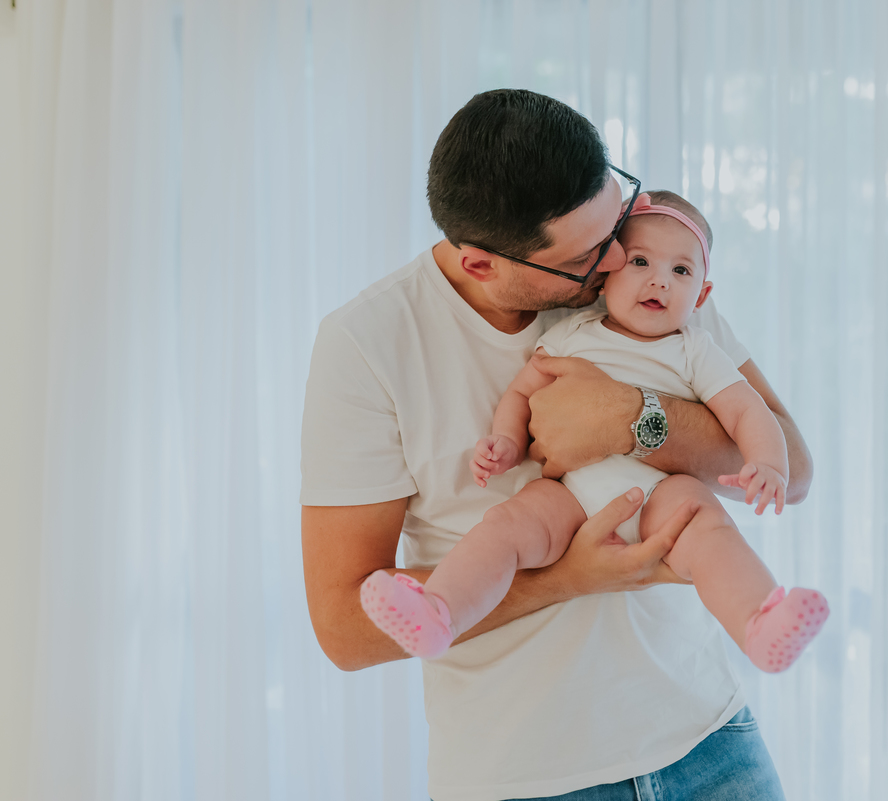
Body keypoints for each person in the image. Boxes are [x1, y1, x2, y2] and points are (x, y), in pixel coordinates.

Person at [300, 89, 814, 801]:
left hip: (708, 739)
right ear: (480, 263)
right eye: (588, 257)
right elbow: (343, 631)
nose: (617, 268)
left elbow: (794, 461)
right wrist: (570, 577)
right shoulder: (369, 345)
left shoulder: (656, 266)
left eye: (617, 224)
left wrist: (635, 416)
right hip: (527, 779)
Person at [359, 190, 828, 674]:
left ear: (702, 296)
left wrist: (767, 462)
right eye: (641, 261)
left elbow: (748, 412)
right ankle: (440, 611)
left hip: (662, 495)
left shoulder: (695, 349)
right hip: (570, 496)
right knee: (505, 528)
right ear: (605, 273)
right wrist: (506, 442)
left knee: (708, 529)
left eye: (681, 272)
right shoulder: (571, 333)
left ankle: (758, 621)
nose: (659, 281)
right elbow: (522, 394)